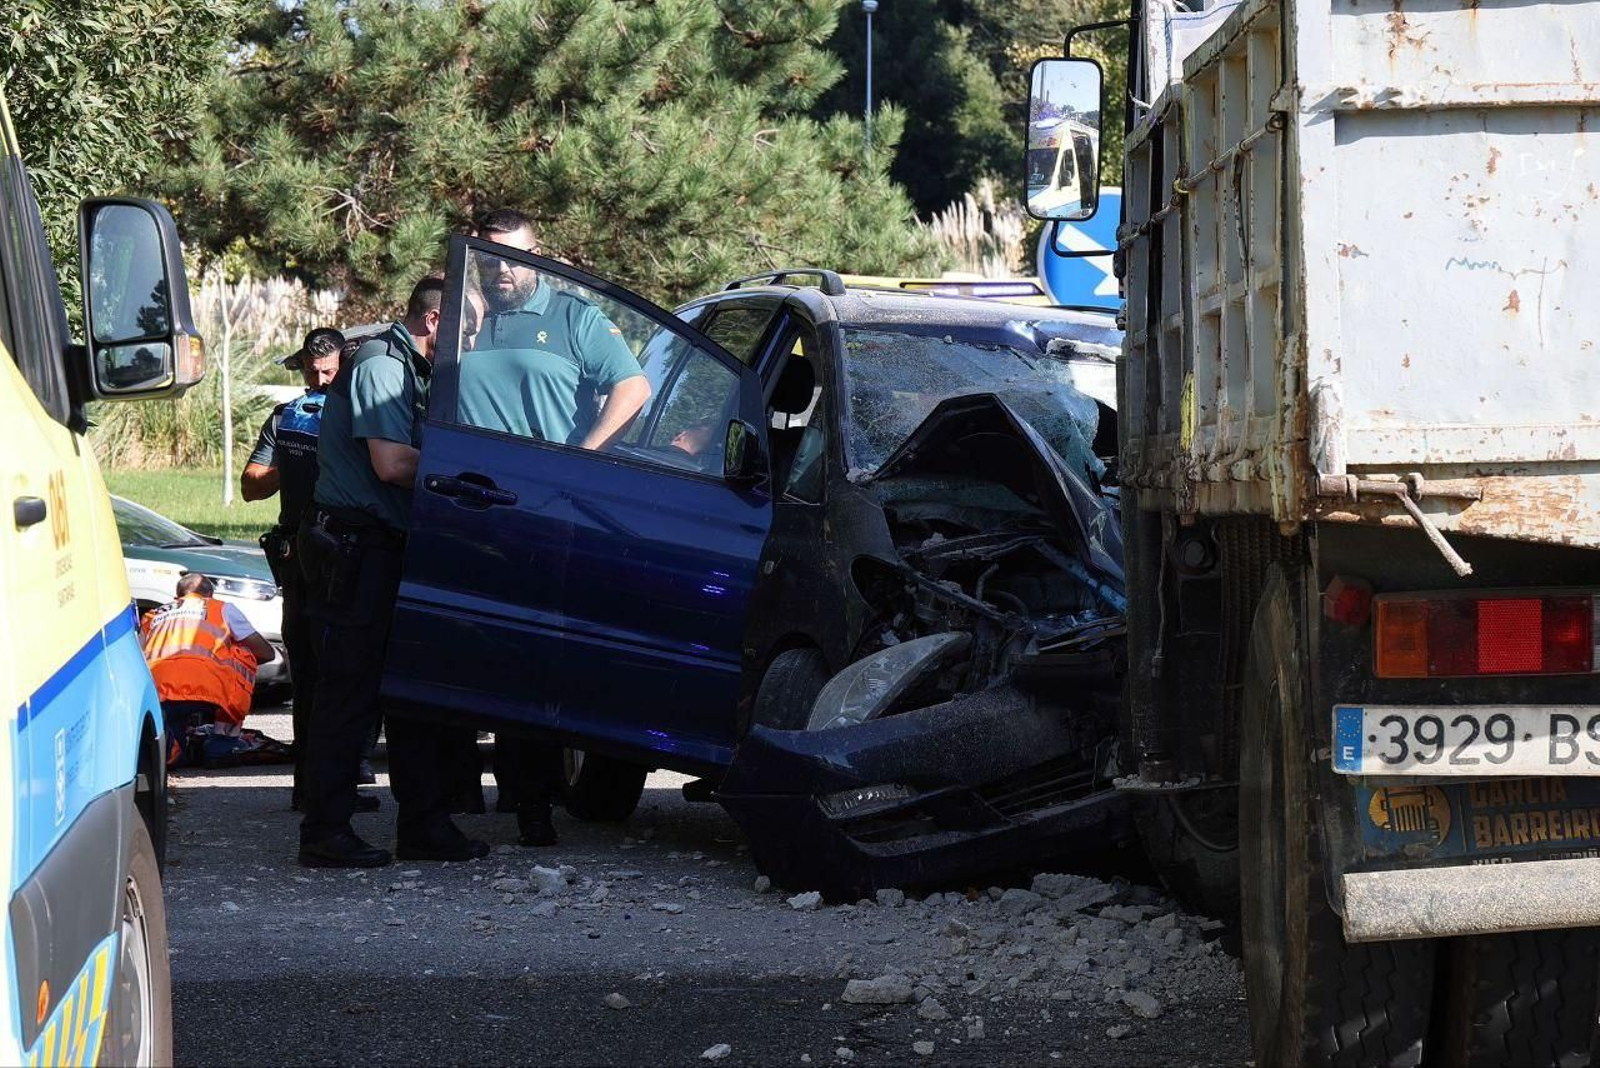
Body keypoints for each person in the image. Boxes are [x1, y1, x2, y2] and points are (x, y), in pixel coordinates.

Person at [455, 208, 655, 846]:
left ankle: (534, 804)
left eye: (518, 258)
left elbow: (633, 387)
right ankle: (460, 797)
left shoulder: (574, 318)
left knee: (533, 658)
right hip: (465, 509)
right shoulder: (464, 321)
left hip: (545, 517)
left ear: (539, 257)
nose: (506, 270)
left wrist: (584, 457)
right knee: (464, 649)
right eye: (492, 259)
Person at [296, 276, 490, 868]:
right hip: (361, 547)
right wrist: (473, 474)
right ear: (436, 322)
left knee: (413, 690)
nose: (473, 344)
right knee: (350, 693)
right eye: (471, 329)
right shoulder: (384, 365)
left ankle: (425, 823)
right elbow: (391, 463)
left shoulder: (416, 371)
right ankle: (325, 830)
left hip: (391, 546)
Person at [240, 327, 379, 810]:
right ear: (301, 368)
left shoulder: (360, 413)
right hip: (301, 556)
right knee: (317, 674)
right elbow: (251, 486)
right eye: (312, 372)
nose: (319, 382)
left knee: (339, 671)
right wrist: (290, 468)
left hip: (336, 549)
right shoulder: (286, 417)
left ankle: (338, 778)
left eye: (329, 373)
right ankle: (316, 786)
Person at [141, 573, 276, 766]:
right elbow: (265, 652)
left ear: (177, 595)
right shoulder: (222, 609)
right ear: (209, 594)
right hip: (212, 693)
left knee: (173, 722)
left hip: (161, 694)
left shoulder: (152, 616)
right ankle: (219, 749)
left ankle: (171, 749)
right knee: (243, 656)